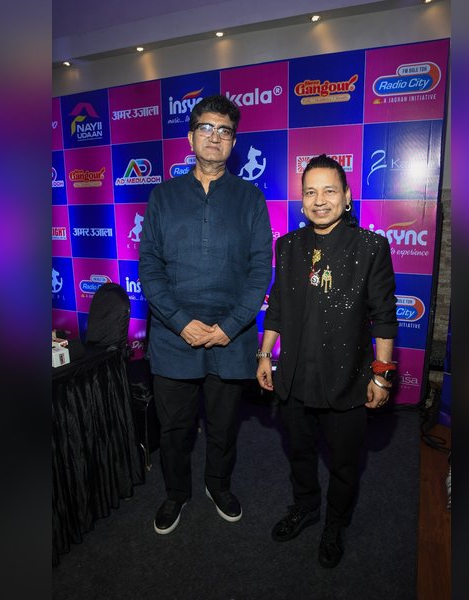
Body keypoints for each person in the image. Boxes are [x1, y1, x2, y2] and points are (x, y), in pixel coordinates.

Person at [256, 154, 398, 568]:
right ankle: (306, 507)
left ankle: (335, 523)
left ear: (347, 196)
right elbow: (277, 306)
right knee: (299, 453)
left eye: (329, 191)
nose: (319, 200)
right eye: (310, 192)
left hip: (346, 380)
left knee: (344, 464)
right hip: (294, 379)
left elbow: (384, 317)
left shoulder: (371, 247)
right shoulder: (287, 246)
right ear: (302, 200)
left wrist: (382, 375)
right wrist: (265, 353)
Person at [139, 94, 272, 535]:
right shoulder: (163, 196)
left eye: (225, 131)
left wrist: (230, 326)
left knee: (224, 427)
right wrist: (180, 321)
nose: (215, 137)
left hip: (229, 340)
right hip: (172, 338)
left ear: (233, 142)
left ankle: (218, 485)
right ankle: (176, 493)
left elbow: (260, 271)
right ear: (191, 136)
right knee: (174, 430)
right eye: (207, 128)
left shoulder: (251, 198)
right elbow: (149, 268)